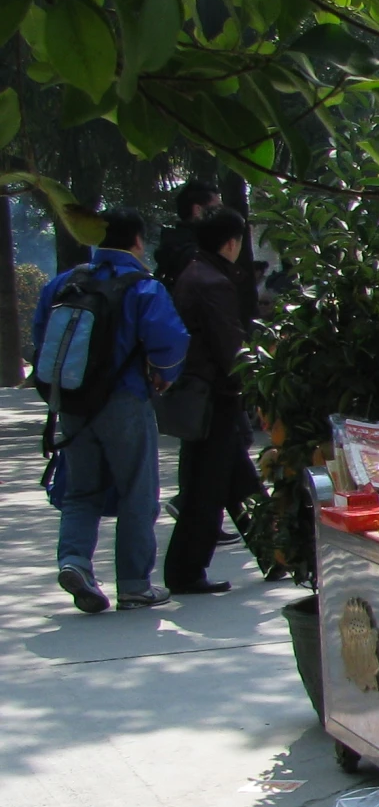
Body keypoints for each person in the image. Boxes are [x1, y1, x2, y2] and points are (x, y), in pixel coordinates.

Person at [31, 209, 192, 613]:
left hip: (72, 401)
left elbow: (41, 337)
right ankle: (135, 584)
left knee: (81, 489)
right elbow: (170, 342)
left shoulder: (63, 283)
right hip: (124, 399)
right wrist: (164, 377)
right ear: (137, 241)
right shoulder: (143, 288)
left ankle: (74, 561)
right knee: (138, 490)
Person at [164, 207, 265, 595]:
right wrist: (258, 386)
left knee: (237, 482)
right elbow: (230, 347)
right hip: (215, 396)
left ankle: (275, 554)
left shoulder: (193, 274)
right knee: (207, 490)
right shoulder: (213, 283)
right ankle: (186, 572)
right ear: (231, 243)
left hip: (201, 394)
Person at [154, 179, 221, 288]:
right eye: (217, 209)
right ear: (198, 210)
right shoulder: (192, 252)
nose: (221, 216)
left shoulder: (173, 244)